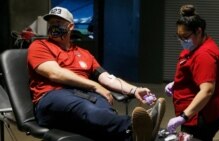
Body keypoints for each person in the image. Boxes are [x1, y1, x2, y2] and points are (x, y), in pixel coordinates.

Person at [27, 6, 166, 141]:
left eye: (58, 22)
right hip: (52, 96)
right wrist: (94, 86)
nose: (53, 26)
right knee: (88, 110)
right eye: (51, 23)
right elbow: (55, 74)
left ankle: (139, 134)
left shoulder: (84, 53)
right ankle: (147, 130)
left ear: (70, 26)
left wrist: (134, 89)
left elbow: (107, 77)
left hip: (85, 95)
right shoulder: (40, 46)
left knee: (105, 116)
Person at [165, 4, 219, 141]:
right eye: (178, 36)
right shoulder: (195, 46)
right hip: (194, 114)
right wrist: (177, 83)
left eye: (185, 36)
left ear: (198, 31)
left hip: (199, 116)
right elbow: (195, 72)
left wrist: (183, 117)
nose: (181, 40)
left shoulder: (204, 54)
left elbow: (207, 91)